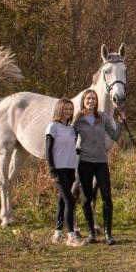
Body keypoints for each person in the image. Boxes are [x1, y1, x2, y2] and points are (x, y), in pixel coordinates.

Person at [74, 89, 123, 245]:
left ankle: (108, 234)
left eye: (93, 99)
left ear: (96, 101)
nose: (91, 101)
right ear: (83, 101)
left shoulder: (103, 117)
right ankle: (91, 233)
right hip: (85, 163)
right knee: (86, 199)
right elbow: (70, 139)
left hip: (101, 162)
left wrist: (121, 123)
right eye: (88, 99)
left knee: (107, 198)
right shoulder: (78, 120)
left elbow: (114, 136)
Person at [46, 98, 82, 247]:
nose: (68, 112)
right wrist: (51, 169)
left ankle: (58, 234)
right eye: (65, 109)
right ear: (59, 109)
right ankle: (71, 237)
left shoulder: (71, 129)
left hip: (70, 169)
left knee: (62, 202)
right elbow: (48, 150)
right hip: (59, 169)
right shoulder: (53, 127)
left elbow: (72, 149)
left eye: (70, 109)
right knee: (70, 201)